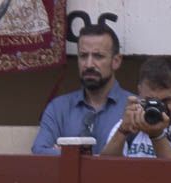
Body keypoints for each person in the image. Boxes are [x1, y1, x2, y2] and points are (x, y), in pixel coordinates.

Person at [31, 24, 129, 155]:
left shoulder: (133, 107)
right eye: (83, 56)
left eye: (98, 56)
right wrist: (79, 158)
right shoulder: (59, 108)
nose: (88, 64)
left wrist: (67, 155)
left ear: (116, 61)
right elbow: (39, 151)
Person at [100, 57, 171, 159]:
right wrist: (122, 131)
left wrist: (157, 136)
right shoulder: (127, 128)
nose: (159, 109)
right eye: (150, 101)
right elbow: (105, 171)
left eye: (165, 101)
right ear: (139, 93)